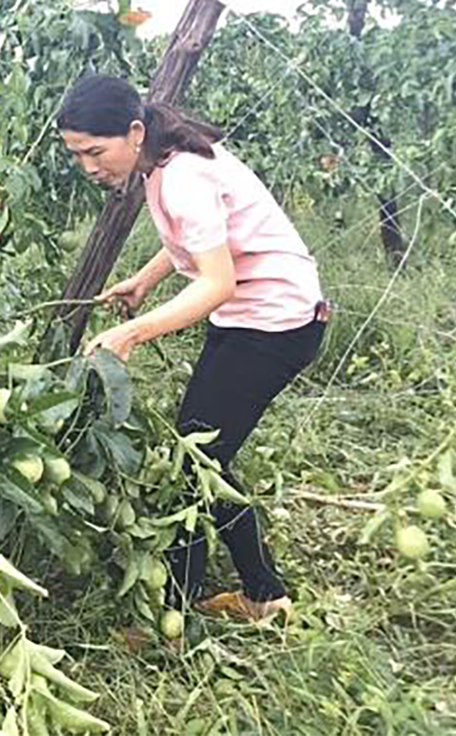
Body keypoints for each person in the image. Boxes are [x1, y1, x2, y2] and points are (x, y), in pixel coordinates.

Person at [56, 75, 329, 624]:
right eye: (75, 154)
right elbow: (198, 237)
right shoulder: (165, 159)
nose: (88, 166)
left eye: (95, 151)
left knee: (192, 463)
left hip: (274, 323)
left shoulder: (182, 174)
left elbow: (216, 282)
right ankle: (263, 594)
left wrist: (132, 332)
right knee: (205, 455)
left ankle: (178, 616)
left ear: (133, 132)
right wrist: (146, 279)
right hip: (261, 316)